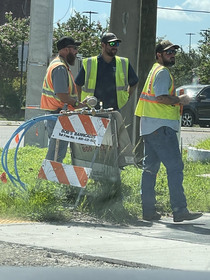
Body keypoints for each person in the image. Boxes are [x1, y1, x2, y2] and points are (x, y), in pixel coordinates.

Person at [134, 40, 203, 222]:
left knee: (150, 169)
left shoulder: (154, 70)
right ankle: (179, 210)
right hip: (162, 128)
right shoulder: (163, 72)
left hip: (150, 127)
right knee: (175, 167)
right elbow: (162, 98)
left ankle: (148, 211)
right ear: (159, 55)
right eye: (168, 52)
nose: (172, 54)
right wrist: (181, 100)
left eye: (173, 52)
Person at [40, 36, 86, 163]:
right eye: (75, 48)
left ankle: (50, 176)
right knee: (56, 152)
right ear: (66, 50)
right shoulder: (60, 67)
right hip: (57, 114)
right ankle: (49, 176)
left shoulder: (60, 65)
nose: (76, 52)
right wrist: (77, 104)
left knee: (57, 150)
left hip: (57, 114)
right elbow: (62, 95)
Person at [75, 32, 139, 110]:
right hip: (92, 109)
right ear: (103, 45)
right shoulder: (89, 63)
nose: (115, 47)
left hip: (114, 109)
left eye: (116, 44)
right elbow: (78, 84)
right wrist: (80, 102)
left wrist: (126, 97)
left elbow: (134, 82)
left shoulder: (123, 63)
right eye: (112, 44)